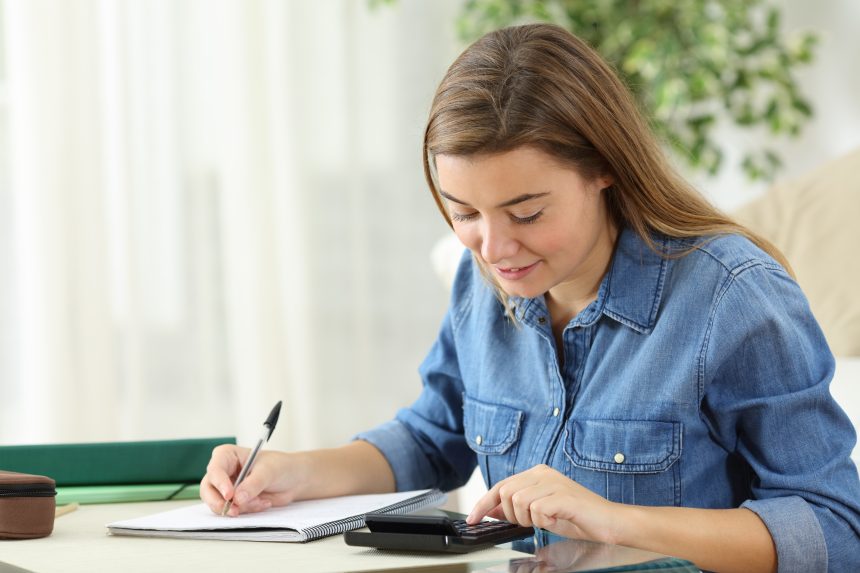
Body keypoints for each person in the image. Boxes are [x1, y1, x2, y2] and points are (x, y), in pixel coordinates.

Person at [200, 23, 860, 572]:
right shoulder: (481, 284)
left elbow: (833, 527)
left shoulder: (732, 297)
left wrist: (615, 520)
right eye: (464, 212)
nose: (494, 247)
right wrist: (294, 474)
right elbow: (433, 439)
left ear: (605, 167)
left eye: (526, 211)